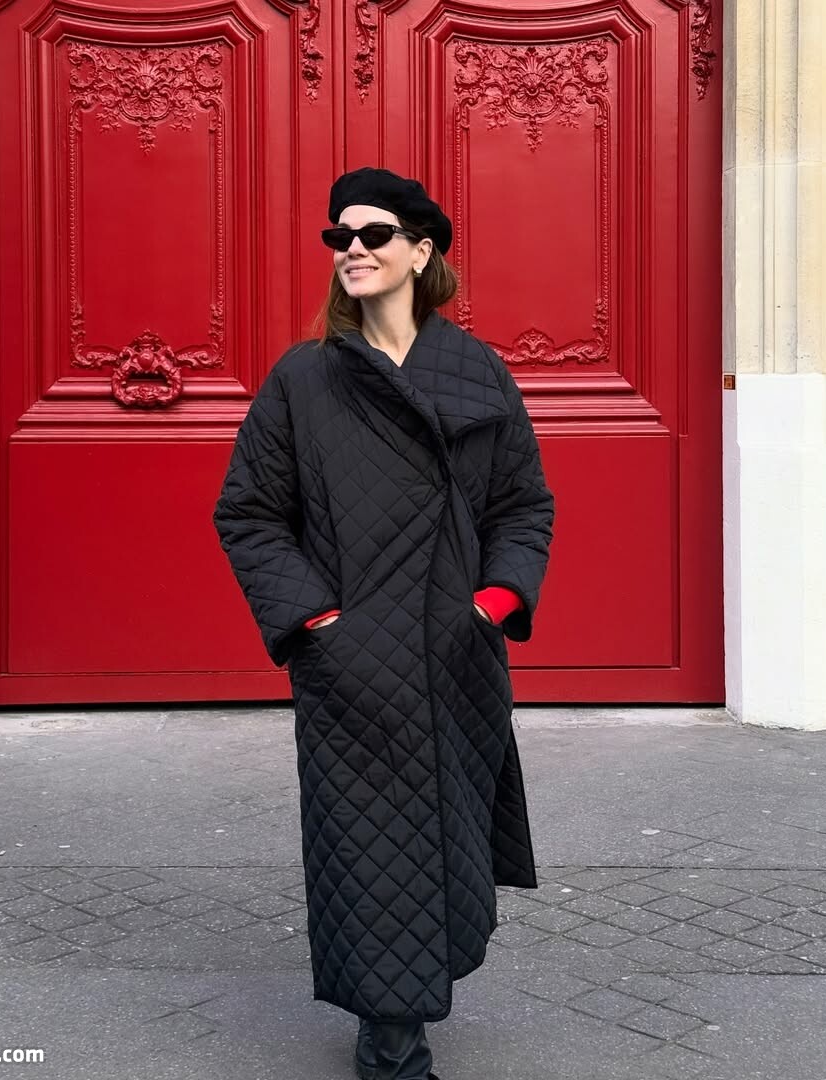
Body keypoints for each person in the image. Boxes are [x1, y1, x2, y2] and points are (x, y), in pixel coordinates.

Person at [213, 167, 555, 1080]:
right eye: (340, 237)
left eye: (373, 234)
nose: (352, 249)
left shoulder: (476, 371)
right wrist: (318, 621)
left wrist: (494, 602)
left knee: (446, 845)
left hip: (456, 659)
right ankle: (393, 1046)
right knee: (370, 856)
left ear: (420, 249)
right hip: (351, 670)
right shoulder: (306, 379)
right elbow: (249, 513)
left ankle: (404, 1016)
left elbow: (524, 505)